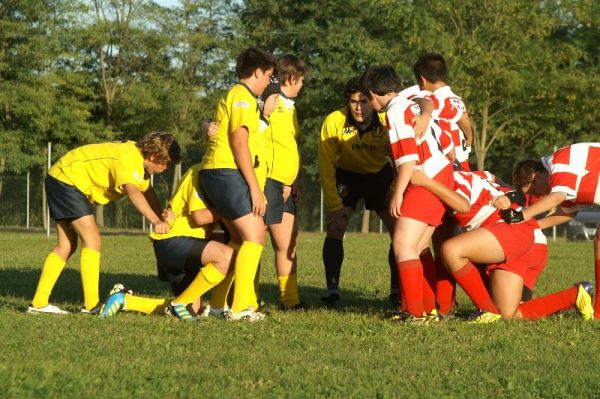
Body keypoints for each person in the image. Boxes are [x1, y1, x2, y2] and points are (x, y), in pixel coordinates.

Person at [410, 169, 594, 322]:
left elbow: (464, 205)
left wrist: (425, 181)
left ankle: (485, 310)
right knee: (509, 315)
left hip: (512, 236)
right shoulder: (476, 175)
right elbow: (499, 182)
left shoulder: (452, 179)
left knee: (452, 250)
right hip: (528, 241)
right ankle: (575, 295)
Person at [28, 132, 180, 314]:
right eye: (166, 164)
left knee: (66, 245)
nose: (166, 168)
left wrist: (163, 219)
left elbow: (147, 192)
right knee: (92, 241)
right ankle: (92, 306)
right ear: (154, 156)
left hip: (61, 177)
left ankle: (38, 303)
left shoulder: (138, 162)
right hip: (68, 180)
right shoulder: (129, 158)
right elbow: (133, 192)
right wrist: (156, 221)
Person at [359, 65, 453, 323]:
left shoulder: (395, 110)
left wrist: (398, 193)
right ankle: (427, 308)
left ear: (372, 94)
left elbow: (409, 159)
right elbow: (426, 98)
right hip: (441, 173)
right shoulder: (407, 99)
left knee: (402, 245)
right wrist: (424, 113)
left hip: (426, 179)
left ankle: (413, 313)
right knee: (419, 246)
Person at [99, 164, 234, 321]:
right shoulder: (200, 173)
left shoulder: (217, 176)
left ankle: (124, 300)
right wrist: (233, 207)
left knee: (193, 310)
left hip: (184, 243)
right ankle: (182, 304)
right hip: (174, 241)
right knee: (227, 256)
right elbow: (200, 217)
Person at [198, 46, 276, 321]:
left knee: (237, 239)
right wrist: (255, 188)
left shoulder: (237, 96)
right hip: (225, 172)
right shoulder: (242, 95)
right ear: (257, 72)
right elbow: (238, 141)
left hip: (217, 172)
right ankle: (242, 307)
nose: (269, 83)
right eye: (268, 76)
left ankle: (218, 305)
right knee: (256, 234)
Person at [318, 78, 398, 308]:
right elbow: (325, 165)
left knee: (398, 228)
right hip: (347, 175)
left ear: (372, 100)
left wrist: (395, 191)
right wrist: (333, 203)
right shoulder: (334, 121)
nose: (358, 107)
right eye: (353, 101)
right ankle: (332, 290)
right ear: (347, 102)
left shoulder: (386, 120)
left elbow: (401, 157)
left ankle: (396, 290)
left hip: (379, 175)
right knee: (335, 226)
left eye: (364, 101)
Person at [506, 143, 600, 319]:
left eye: (533, 190)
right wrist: (531, 226)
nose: (538, 196)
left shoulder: (560, 162)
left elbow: (557, 197)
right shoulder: (564, 179)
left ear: (535, 177)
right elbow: (567, 214)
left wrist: (520, 216)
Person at [262, 55, 309, 310]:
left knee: (289, 243)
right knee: (254, 241)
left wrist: (293, 180)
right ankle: (243, 301)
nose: (302, 85)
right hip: (268, 182)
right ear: (291, 78)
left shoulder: (291, 107)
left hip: (286, 185)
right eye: (300, 80)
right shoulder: (269, 100)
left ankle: (290, 302)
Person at [413, 53, 473, 171]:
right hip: (462, 160)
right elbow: (464, 118)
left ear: (422, 80)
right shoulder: (455, 98)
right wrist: (469, 137)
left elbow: (463, 117)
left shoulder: (438, 100)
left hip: (450, 164)